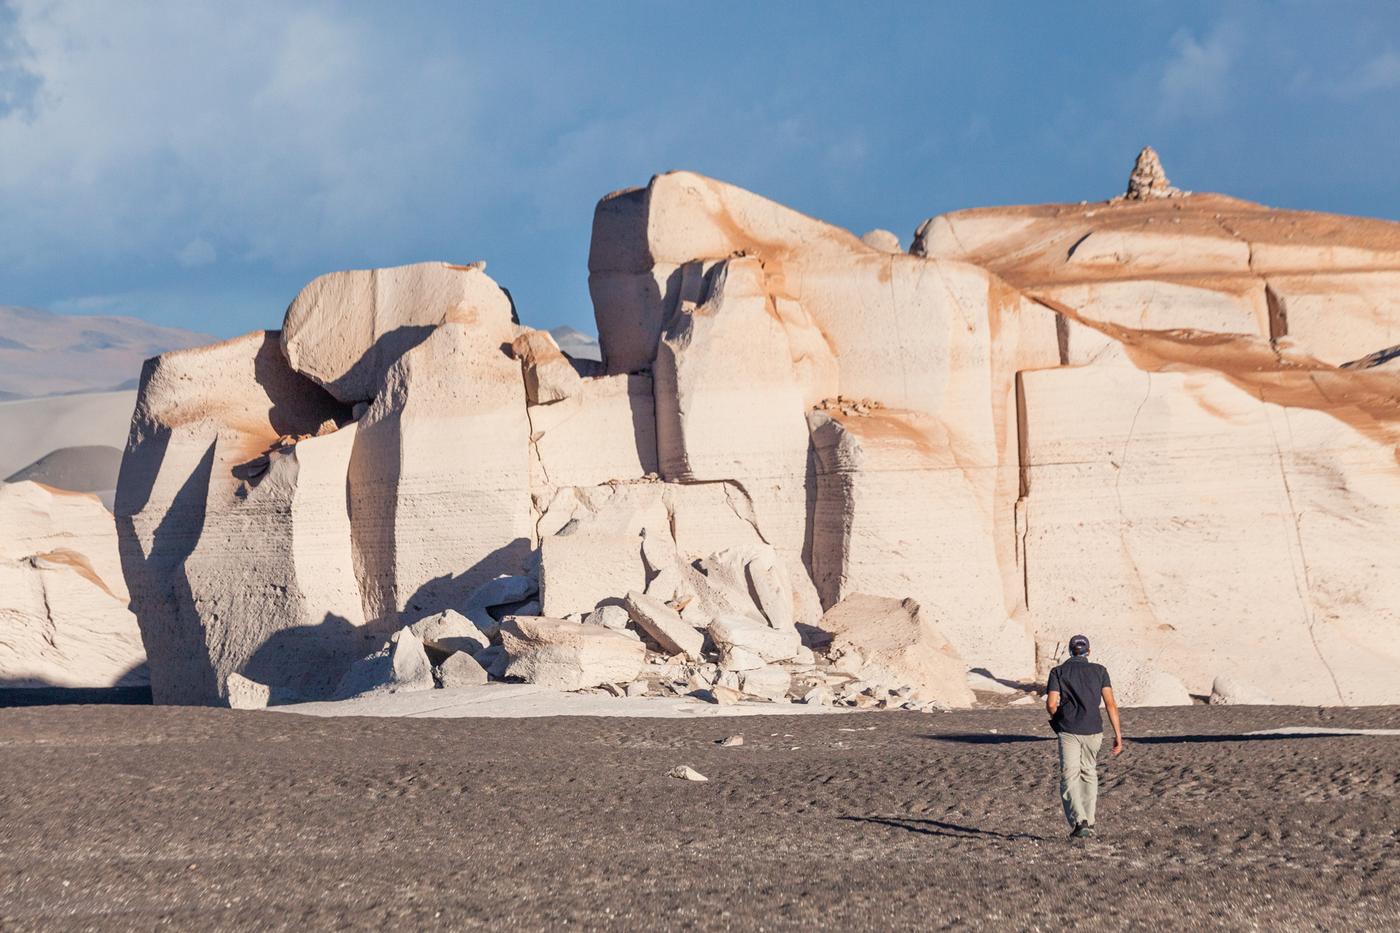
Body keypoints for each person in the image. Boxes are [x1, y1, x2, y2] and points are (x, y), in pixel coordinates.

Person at [1045, 634, 1122, 839]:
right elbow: (1110, 704)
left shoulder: (1058, 671)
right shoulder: (1100, 671)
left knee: (1069, 775)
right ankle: (1090, 820)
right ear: (1088, 651)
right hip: (1094, 729)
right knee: (1089, 772)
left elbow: (1051, 704)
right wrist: (1118, 734)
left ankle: (1080, 822)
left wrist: (1058, 717)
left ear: (1070, 651)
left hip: (1069, 729)